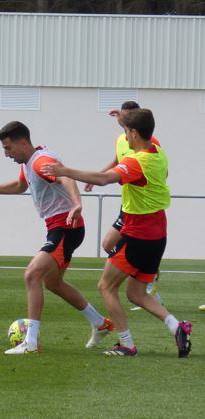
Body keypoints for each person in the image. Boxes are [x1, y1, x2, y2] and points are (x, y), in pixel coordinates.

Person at [41, 108, 192, 357]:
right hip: (158, 233)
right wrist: (123, 117)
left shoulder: (136, 162)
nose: (125, 137)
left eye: (126, 131)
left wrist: (65, 171)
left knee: (106, 286)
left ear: (134, 133)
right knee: (135, 293)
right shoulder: (159, 153)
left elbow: (103, 179)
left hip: (139, 234)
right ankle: (176, 325)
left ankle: (126, 344)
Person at [0, 121, 113, 355]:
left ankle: (30, 343)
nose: (6, 154)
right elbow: (19, 185)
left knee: (32, 274)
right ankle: (100, 323)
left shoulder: (42, 161)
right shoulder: (29, 163)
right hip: (60, 227)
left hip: (66, 226)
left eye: (8, 148)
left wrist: (77, 204)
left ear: (23, 143)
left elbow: (66, 177)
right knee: (53, 283)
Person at [85, 101, 163, 308]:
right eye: (123, 116)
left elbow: (156, 170)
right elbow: (117, 162)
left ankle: (145, 283)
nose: (123, 119)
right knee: (107, 244)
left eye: (127, 117)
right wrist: (98, 176)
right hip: (128, 205)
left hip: (141, 208)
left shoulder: (151, 143)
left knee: (118, 250)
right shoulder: (122, 140)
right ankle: (139, 277)